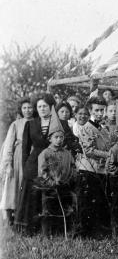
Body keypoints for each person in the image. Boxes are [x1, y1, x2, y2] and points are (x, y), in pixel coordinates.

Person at [16, 94, 76, 234]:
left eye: (45, 106)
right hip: (34, 163)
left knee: (53, 194)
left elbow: (71, 142)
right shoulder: (31, 124)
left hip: (55, 162)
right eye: (39, 106)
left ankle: (53, 229)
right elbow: (25, 149)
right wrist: (25, 167)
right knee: (32, 195)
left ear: (51, 107)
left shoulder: (61, 123)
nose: (42, 109)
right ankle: (31, 229)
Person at [74, 97, 112, 238]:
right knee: (86, 205)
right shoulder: (86, 128)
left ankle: (96, 234)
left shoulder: (103, 128)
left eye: (102, 110)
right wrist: (109, 155)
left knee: (99, 204)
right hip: (87, 170)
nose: (100, 113)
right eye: (96, 110)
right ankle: (82, 235)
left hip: (100, 170)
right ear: (90, 110)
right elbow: (89, 150)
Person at [36, 107, 77, 237]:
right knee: (48, 210)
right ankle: (47, 234)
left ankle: (66, 233)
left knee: (67, 209)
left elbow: (73, 167)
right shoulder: (45, 153)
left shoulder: (67, 153)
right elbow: (42, 171)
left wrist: (68, 179)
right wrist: (52, 181)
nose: (59, 139)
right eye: (56, 137)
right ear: (50, 138)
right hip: (49, 187)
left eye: (61, 137)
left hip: (64, 185)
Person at [0, 99, 34, 224]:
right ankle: (10, 216)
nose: (27, 110)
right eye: (24, 108)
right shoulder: (16, 124)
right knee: (13, 184)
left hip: (31, 155)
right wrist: (8, 164)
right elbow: (9, 144)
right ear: (21, 109)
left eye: (30, 107)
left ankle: (24, 215)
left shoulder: (37, 122)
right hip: (18, 157)